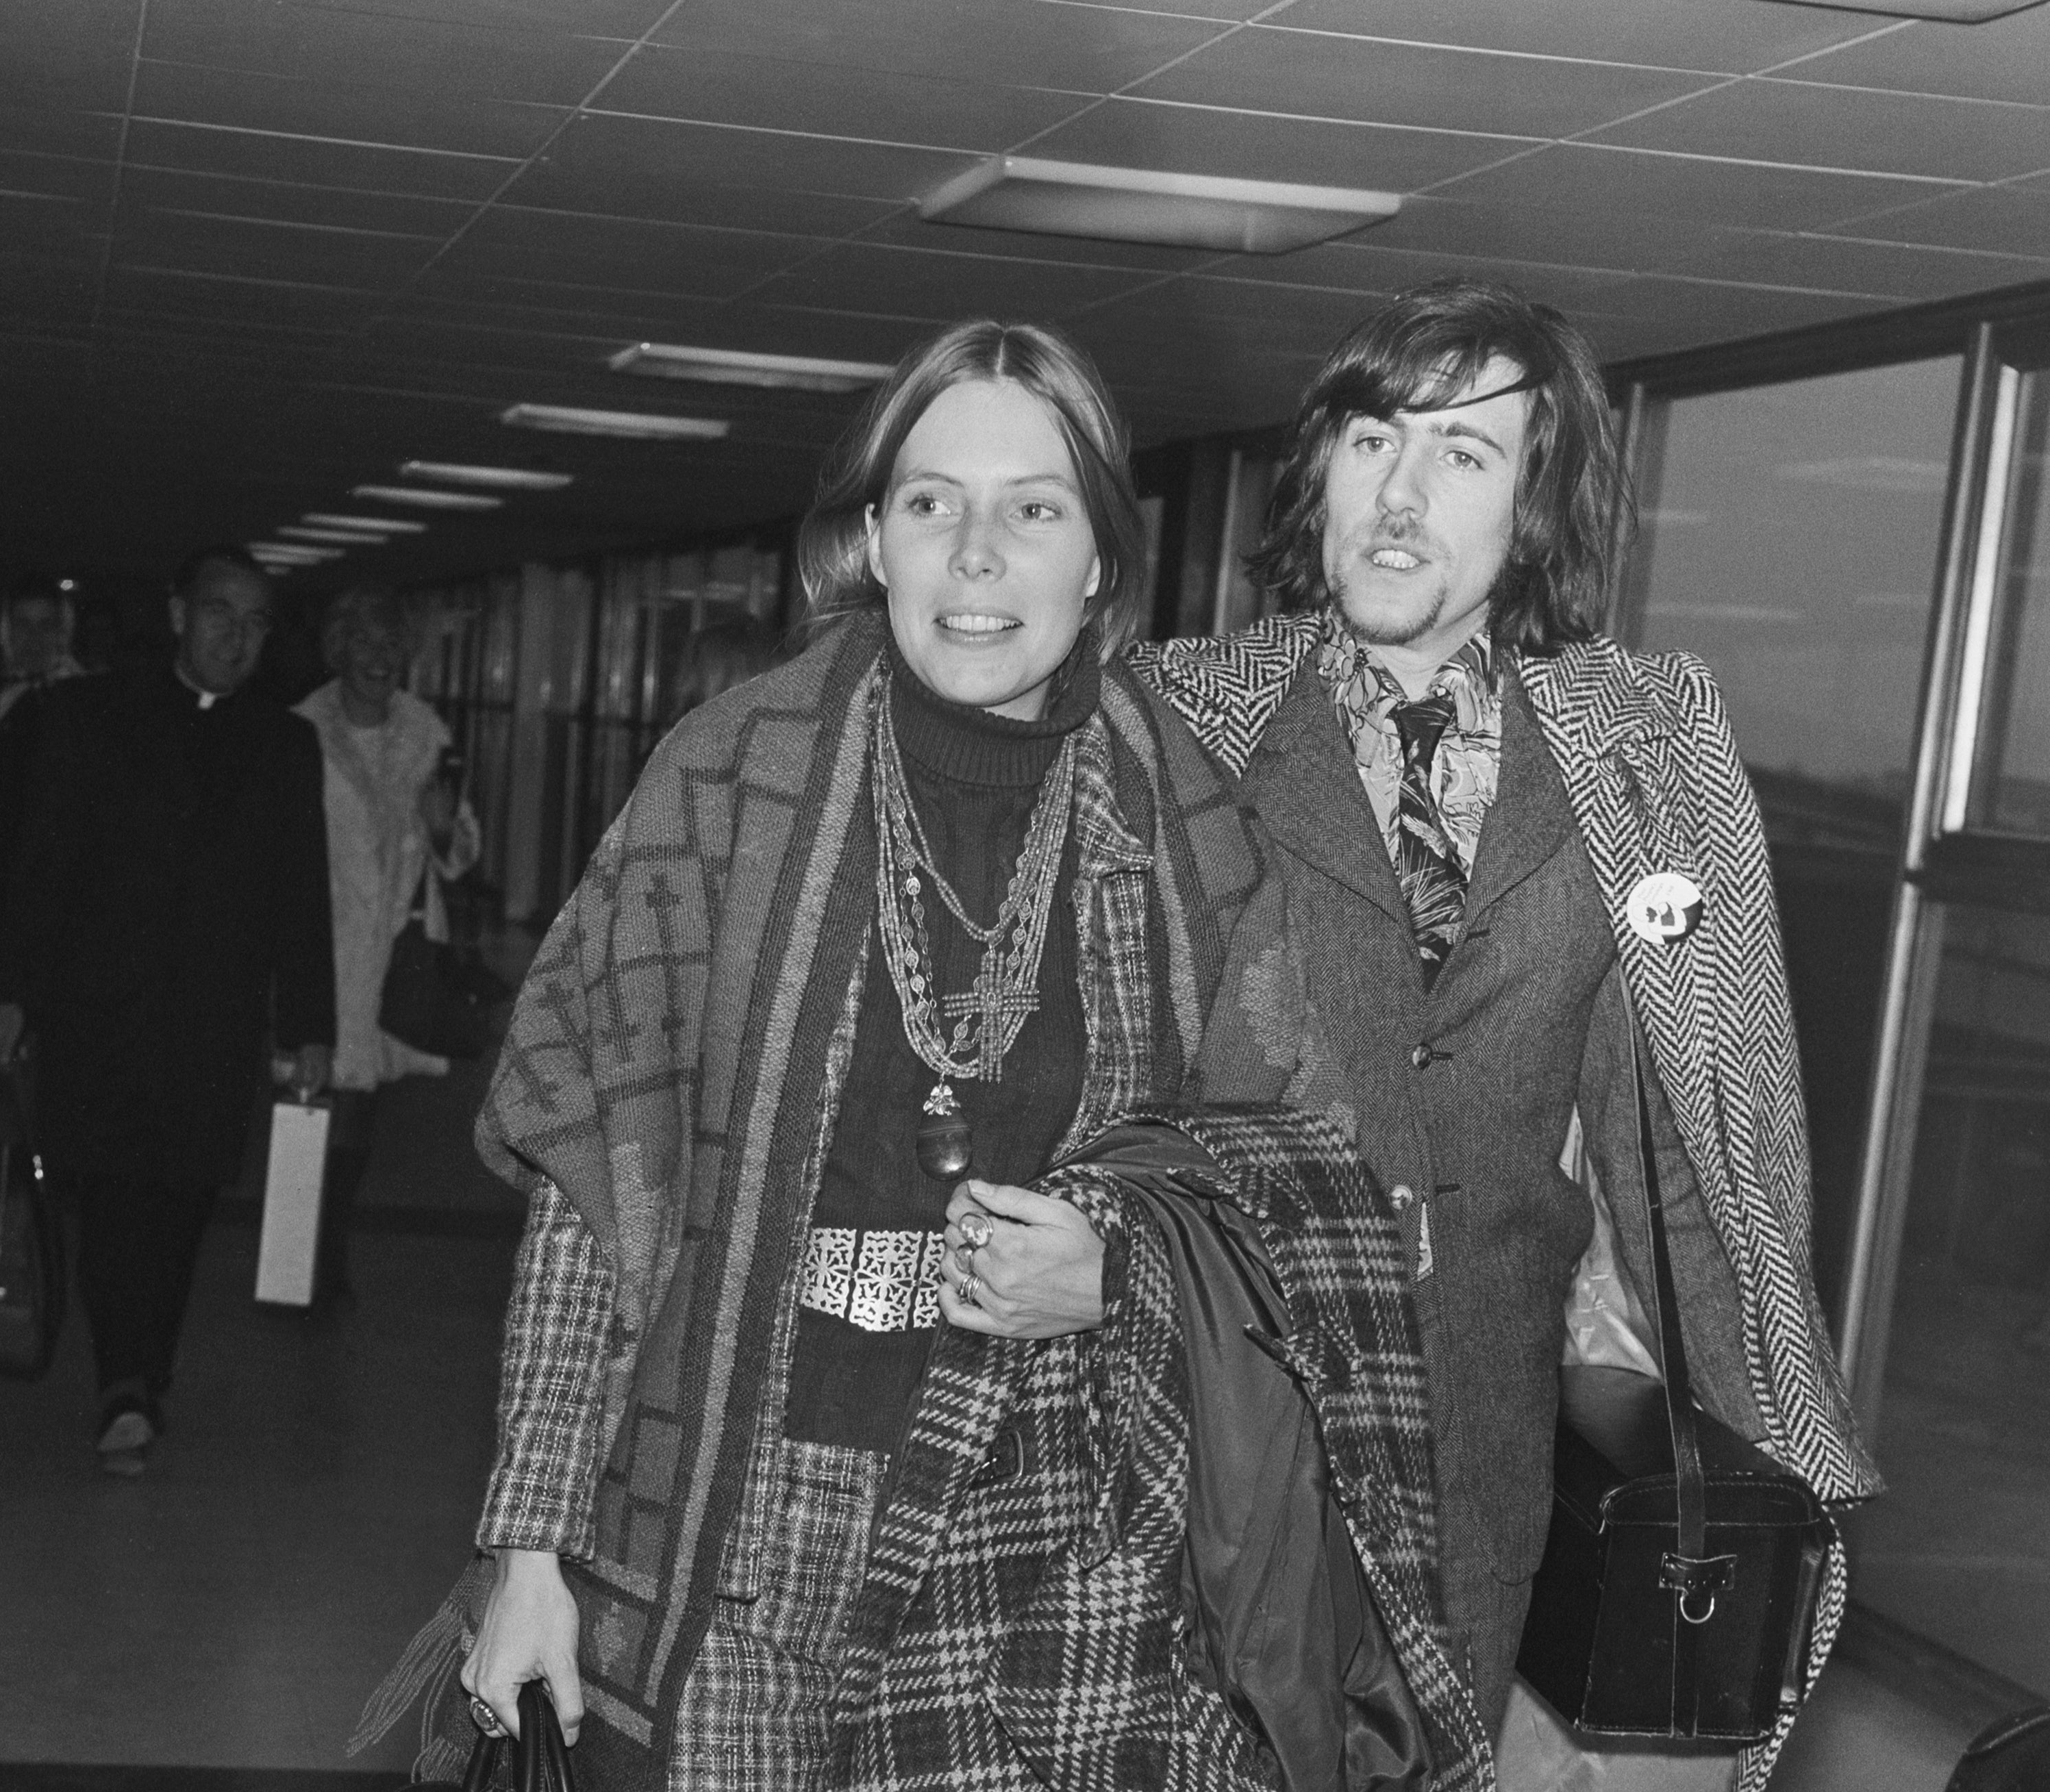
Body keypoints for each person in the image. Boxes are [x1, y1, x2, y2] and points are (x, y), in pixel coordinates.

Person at [357, 322, 1488, 1790]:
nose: (974, 557)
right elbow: (593, 1179)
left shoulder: (1184, 821)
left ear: (1096, 562)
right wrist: (525, 1545)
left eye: (1032, 509)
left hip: (1052, 1533)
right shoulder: (728, 775)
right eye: (929, 503)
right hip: (733, 1523)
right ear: (872, 543)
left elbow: (1302, 1171)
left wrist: (1122, 1264)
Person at [1131, 279, 1878, 1786]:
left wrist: (1772, 1442)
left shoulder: (1644, 745)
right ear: (1320, 468)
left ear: (1536, 501)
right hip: (1204, 1413)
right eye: (1370, 442)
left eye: (1464, 456)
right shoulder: (1171, 717)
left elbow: (1694, 1131)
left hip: (1476, 1448)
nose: (1400, 498)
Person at [0, 546, 334, 1476]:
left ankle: (143, 1367)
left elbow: (305, 894)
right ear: (179, 611)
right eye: (222, 613)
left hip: (214, 1023)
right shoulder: (88, 717)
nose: (237, 636)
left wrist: (308, 1029)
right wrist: (15, 994)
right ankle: (124, 1382)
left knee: (181, 1199)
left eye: (258, 622)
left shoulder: (285, 745)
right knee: (108, 1196)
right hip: (100, 1010)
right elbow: (44, 865)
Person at [292, 583, 480, 1308]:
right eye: (364, 643)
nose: (379, 658)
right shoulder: (299, 730)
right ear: (339, 650)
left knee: (359, 1104)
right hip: (324, 945)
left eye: (391, 645)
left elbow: (461, 850)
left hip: (393, 949)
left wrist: (440, 829)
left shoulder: (427, 734)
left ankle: (324, 1250)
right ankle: (304, 1251)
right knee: (316, 1101)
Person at [0, 575, 84, 1001]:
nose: (34, 639)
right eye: (23, 626)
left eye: (46, 626)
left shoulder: (88, 704)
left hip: (63, 896)